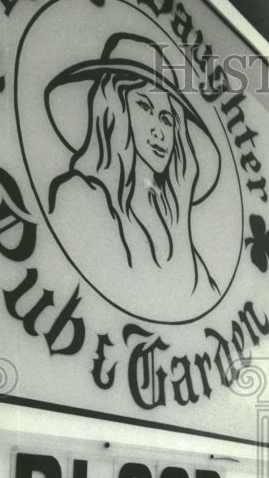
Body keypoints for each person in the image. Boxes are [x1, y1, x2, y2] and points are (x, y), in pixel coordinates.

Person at [45, 33, 221, 314]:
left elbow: (196, 307)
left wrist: (182, 221)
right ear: (116, 107)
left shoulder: (172, 223)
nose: (158, 130)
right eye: (144, 106)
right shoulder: (77, 198)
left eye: (166, 118)